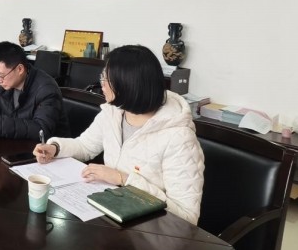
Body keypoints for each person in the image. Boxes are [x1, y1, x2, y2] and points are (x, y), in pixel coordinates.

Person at [33, 44, 204, 224]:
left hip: (148, 227)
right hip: (112, 213)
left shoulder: (179, 138)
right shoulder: (114, 112)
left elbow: (187, 217)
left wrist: (123, 179)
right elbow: (85, 146)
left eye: (107, 79)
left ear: (129, 85)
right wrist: (55, 148)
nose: (102, 84)